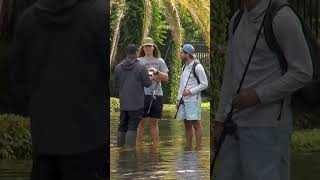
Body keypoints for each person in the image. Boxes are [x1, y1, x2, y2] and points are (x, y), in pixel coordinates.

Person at [213, 0, 313, 180]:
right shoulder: (237, 20)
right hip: (233, 125)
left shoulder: (282, 17)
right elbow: (230, 73)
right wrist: (220, 120)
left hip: (268, 127)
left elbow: (303, 72)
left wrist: (257, 96)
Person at [10, 0, 108, 179]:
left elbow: (18, 83)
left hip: (45, 142)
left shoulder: (28, 21)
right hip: (90, 144)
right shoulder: (98, 15)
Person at [113, 44, 152, 147]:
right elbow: (148, 84)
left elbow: (115, 86)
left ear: (127, 53)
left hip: (124, 104)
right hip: (136, 104)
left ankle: (120, 149)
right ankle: (129, 152)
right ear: (136, 53)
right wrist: (149, 76)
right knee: (132, 126)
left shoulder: (118, 67)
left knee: (122, 125)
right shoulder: (141, 67)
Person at [136, 37, 169, 147]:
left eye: (150, 46)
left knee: (154, 123)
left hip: (157, 95)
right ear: (143, 48)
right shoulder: (138, 61)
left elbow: (166, 77)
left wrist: (157, 74)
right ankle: (138, 147)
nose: (148, 48)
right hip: (142, 95)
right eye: (146, 46)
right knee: (141, 123)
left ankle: (156, 147)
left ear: (153, 47)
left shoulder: (160, 61)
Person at [176, 44, 208, 151]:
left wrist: (190, 91)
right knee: (187, 124)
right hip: (184, 101)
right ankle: (188, 148)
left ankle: (198, 149)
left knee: (196, 124)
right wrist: (178, 99)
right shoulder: (184, 66)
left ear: (187, 54)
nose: (180, 54)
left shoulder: (198, 67)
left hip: (194, 101)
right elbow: (182, 85)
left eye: (182, 53)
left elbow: (204, 84)